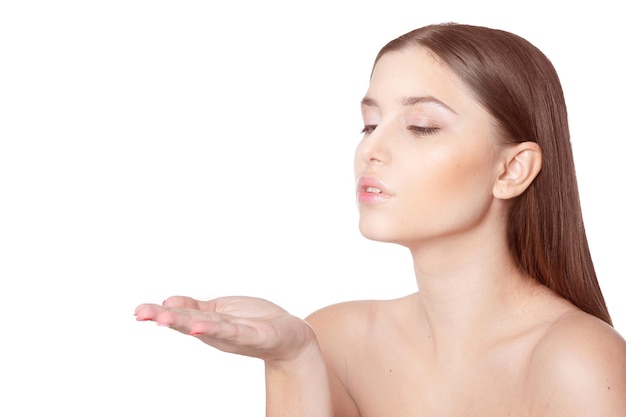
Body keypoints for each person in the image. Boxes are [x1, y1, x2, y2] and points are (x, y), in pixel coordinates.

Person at [135, 22, 626, 416]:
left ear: (511, 169)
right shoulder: (334, 340)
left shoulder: (578, 362)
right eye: (369, 124)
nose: (370, 148)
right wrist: (292, 361)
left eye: (421, 127)